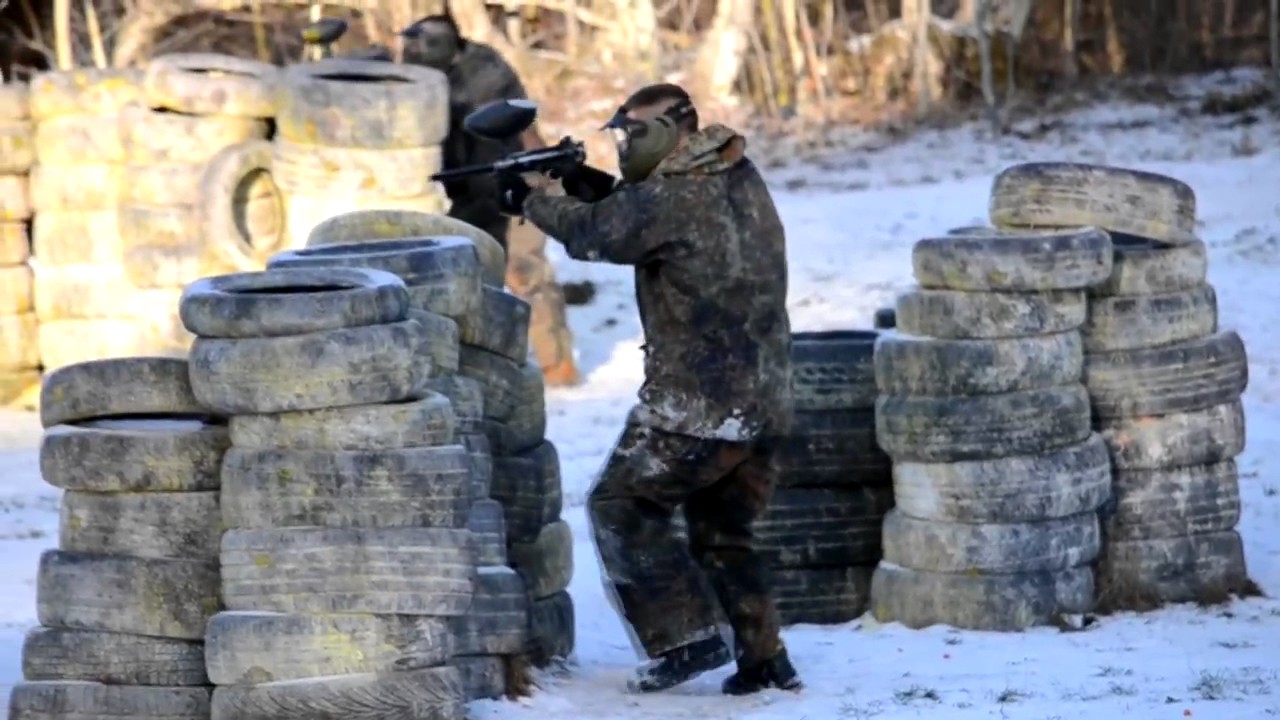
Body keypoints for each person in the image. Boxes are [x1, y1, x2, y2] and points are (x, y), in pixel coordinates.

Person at [496, 83, 802, 695]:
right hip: (767, 400)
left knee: (620, 506)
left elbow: (602, 236)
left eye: (634, 134)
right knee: (723, 533)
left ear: (670, 131)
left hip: (698, 405)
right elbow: (639, 221)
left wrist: (533, 202)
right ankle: (765, 659)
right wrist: (584, 183)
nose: (625, 145)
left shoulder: (672, 196)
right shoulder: (734, 172)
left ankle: (682, 641)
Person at [400, 9, 580, 386]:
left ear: (453, 43)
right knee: (467, 278)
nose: (419, 49)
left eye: (430, 41)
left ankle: (557, 365)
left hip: (513, 182)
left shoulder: (483, 70)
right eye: (415, 41)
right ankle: (483, 364)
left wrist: (540, 178)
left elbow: (521, 124)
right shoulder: (413, 77)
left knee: (525, 272)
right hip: (463, 191)